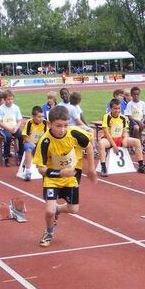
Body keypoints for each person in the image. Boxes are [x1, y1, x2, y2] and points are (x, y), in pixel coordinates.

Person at [33, 105, 98, 247]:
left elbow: (88, 146)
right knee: (49, 211)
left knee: (74, 209)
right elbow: (41, 169)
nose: (62, 129)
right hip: (52, 178)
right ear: (49, 124)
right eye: (58, 126)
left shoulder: (74, 133)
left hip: (71, 177)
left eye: (65, 125)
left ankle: (58, 209)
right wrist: (59, 173)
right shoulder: (45, 141)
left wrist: (91, 169)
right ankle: (49, 232)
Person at [98, 99, 145, 177]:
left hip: (120, 139)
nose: (117, 110)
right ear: (111, 109)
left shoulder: (123, 118)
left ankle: (141, 165)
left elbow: (125, 131)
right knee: (101, 143)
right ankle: (103, 167)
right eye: (115, 108)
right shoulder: (106, 117)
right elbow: (106, 133)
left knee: (137, 142)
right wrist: (114, 145)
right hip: (109, 140)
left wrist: (125, 138)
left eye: (119, 108)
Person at [0, 90, 24, 166]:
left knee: (21, 136)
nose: (10, 101)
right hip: (4, 128)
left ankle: (20, 155)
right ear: (4, 100)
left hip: (14, 127)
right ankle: (6, 157)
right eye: (8, 99)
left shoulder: (16, 108)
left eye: (11, 99)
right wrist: (8, 128)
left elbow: (19, 120)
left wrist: (16, 128)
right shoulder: (1, 109)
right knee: (8, 137)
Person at [21, 106, 48, 181]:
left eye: (42, 116)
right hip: (30, 143)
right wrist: (33, 144)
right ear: (33, 116)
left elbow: (47, 136)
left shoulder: (45, 123)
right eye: (39, 117)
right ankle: (28, 171)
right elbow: (25, 137)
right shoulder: (29, 123)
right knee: (28, 148)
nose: (41, 118)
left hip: (40, 144)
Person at [125, 86, 145, 152]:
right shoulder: (130, 104)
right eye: (134, 94)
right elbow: (129, 116)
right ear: (131, 95)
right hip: (133, 120)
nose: (136, 96)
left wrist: (142, 121)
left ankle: (144, 142)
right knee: (136, 128)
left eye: (137, 94)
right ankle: (136, 144)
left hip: (142, 119)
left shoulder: (143, 103)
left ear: (139, 94)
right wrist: (138, 121)